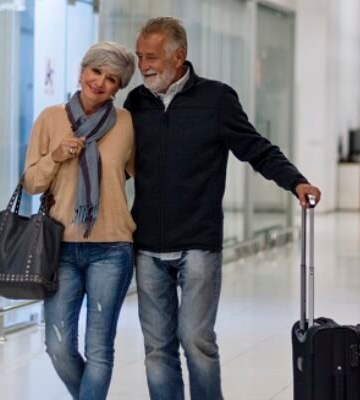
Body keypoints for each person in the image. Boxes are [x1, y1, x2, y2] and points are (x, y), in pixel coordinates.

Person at [124, 17, 323, 400]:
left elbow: (256, 148)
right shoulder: (137, 103)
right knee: (156, 349)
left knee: (196, 341)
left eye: (151, 57)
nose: (143, 65)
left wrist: (295, 181)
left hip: (198, 242)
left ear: (178, 56)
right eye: (139, 56)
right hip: (147, 245)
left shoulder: (215, 99)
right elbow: (119, 166)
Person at [22, 41, 137, 400]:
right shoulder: (51, 118)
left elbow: (141, 175)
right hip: (61, 247)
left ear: (119, 87)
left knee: (100, 348)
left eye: (111, 78)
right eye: (96, 72)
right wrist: (55, 156)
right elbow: (31, 183)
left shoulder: (126, 123)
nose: (100, 82)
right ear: (82, 71)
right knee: (58, 346)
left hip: (113, 246)